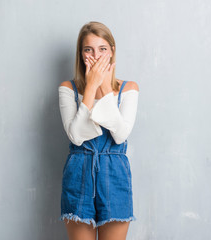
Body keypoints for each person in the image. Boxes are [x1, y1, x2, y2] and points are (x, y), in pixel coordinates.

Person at [58, 21, 140, 240]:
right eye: (89, 50)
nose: (96, 55)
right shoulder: (68, 88)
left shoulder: (128, 89)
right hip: (79, 174)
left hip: (115, 175)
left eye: (103, 49)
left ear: (112, 52)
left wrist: (104, 88)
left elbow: (120, 134)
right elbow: (76, 136)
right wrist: (91, 86)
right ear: (81, 54)